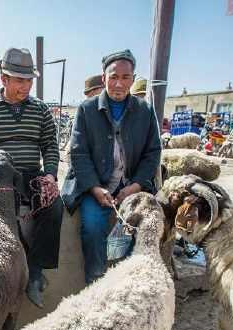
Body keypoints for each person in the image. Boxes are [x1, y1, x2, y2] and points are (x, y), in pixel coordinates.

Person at [61, 49, 162, 284]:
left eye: (126, 78)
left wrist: (134, 187)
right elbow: (79, 152)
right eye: (114, 77)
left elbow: (152, 153)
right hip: (95, 187)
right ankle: (95, 282)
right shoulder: (87, 110)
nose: (119, 84)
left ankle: (124, 282)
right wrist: (96, 188)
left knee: (133, 227)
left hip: (130, 187)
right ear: (104, 77)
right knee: (93, 227)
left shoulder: (145, 111)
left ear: (133, 79)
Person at [0, 47, 63, 308]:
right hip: (1, 176)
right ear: (4, 79)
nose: (26, 86)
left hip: (33, 174)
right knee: (5, 216)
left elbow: (50, 145)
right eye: (20, 80)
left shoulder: (40, 110)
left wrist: (50, 175)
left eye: (29, 81)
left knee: (54, 206)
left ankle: (35, 271)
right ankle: (14, 268)